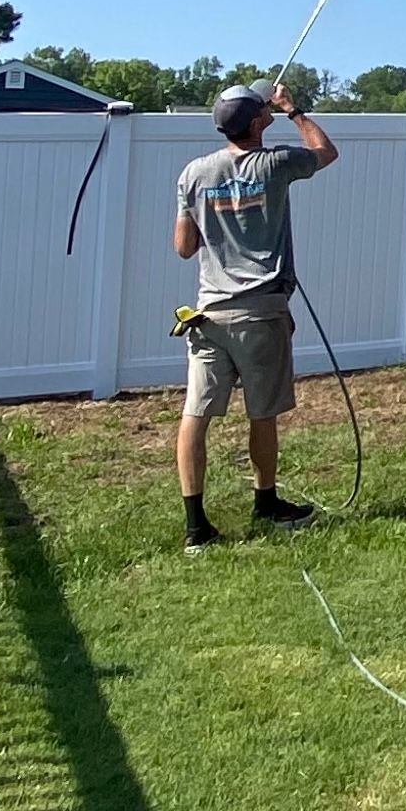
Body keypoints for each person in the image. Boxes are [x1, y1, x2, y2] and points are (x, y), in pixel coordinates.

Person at [172, 80, 338, 550]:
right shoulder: (276, 163)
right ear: (258, 121)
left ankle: (195, 528)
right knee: (262, 415)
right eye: (262, 110)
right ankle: (266, 503)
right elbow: (325, 152)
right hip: (260, 312)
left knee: (195, 415)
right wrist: (294, 110)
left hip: (207, 314)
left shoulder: (193, 173)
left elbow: (184, 248)